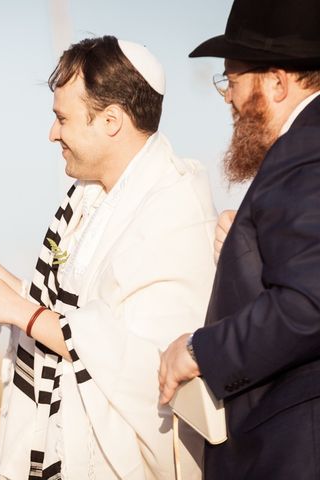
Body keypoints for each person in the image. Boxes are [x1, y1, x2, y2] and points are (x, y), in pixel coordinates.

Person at [0, 36, 217, 479]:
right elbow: (58, 311)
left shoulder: (174, 205)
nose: (52, 133)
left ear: (111, 121)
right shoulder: (89, 200)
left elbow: (141, 363)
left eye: (62, 119)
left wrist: (20, 312)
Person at [159, 0, 320, 478]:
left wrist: (199, 351)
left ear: (276, 81)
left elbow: (309, 303)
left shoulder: (304, 149)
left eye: (231, 80)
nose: (227, 97)